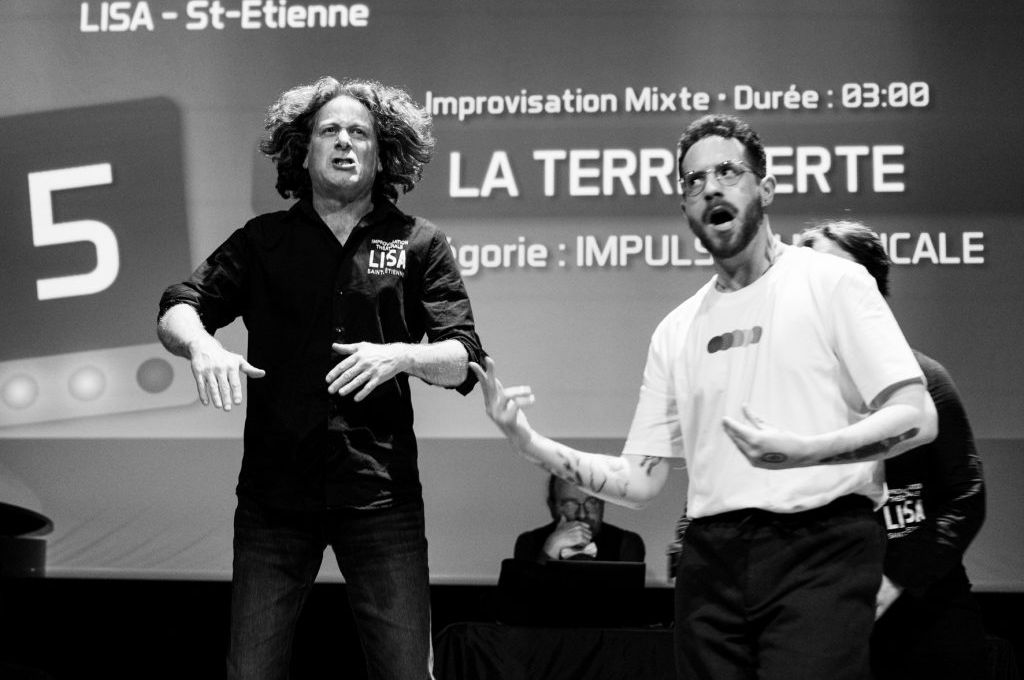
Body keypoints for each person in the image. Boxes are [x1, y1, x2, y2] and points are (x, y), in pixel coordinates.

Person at [471, 113, 937, 680]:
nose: (710, 187)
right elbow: (639, 482)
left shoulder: (832, 283)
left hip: (822, 543)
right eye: (694, 181)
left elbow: (916, 415)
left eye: (727, 172)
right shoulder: (677, 329)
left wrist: (807, 452)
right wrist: (530, 443)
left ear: (766, 188)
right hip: (711, 561)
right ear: (686, 208)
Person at [157, 76, 486, 680]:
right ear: (302, 152)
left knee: (407, 673)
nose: (343, 141)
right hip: (275, 499)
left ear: (381, 155)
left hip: (380, 496)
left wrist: (402, 357)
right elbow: (180, 304)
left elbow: (463, 356)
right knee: (250, 671)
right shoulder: (263, 242)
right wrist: (202, 345)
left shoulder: (419, 243)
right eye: (328, 130)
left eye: (359, 132)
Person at [798, 220, 988, 680]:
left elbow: (965, 497)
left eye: (831, 274)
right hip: (820, 616)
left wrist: (893, 578)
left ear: (871, 290)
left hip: (927, 614)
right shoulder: (789, 390)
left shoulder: (926, 381)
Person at [514, 474, 645, 563]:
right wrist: (551, 548)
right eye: (570, 503)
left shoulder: (626, 543)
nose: (582, 514)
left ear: (602, 503)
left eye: (592, 502)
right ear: (552, 507)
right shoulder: (529, 542)